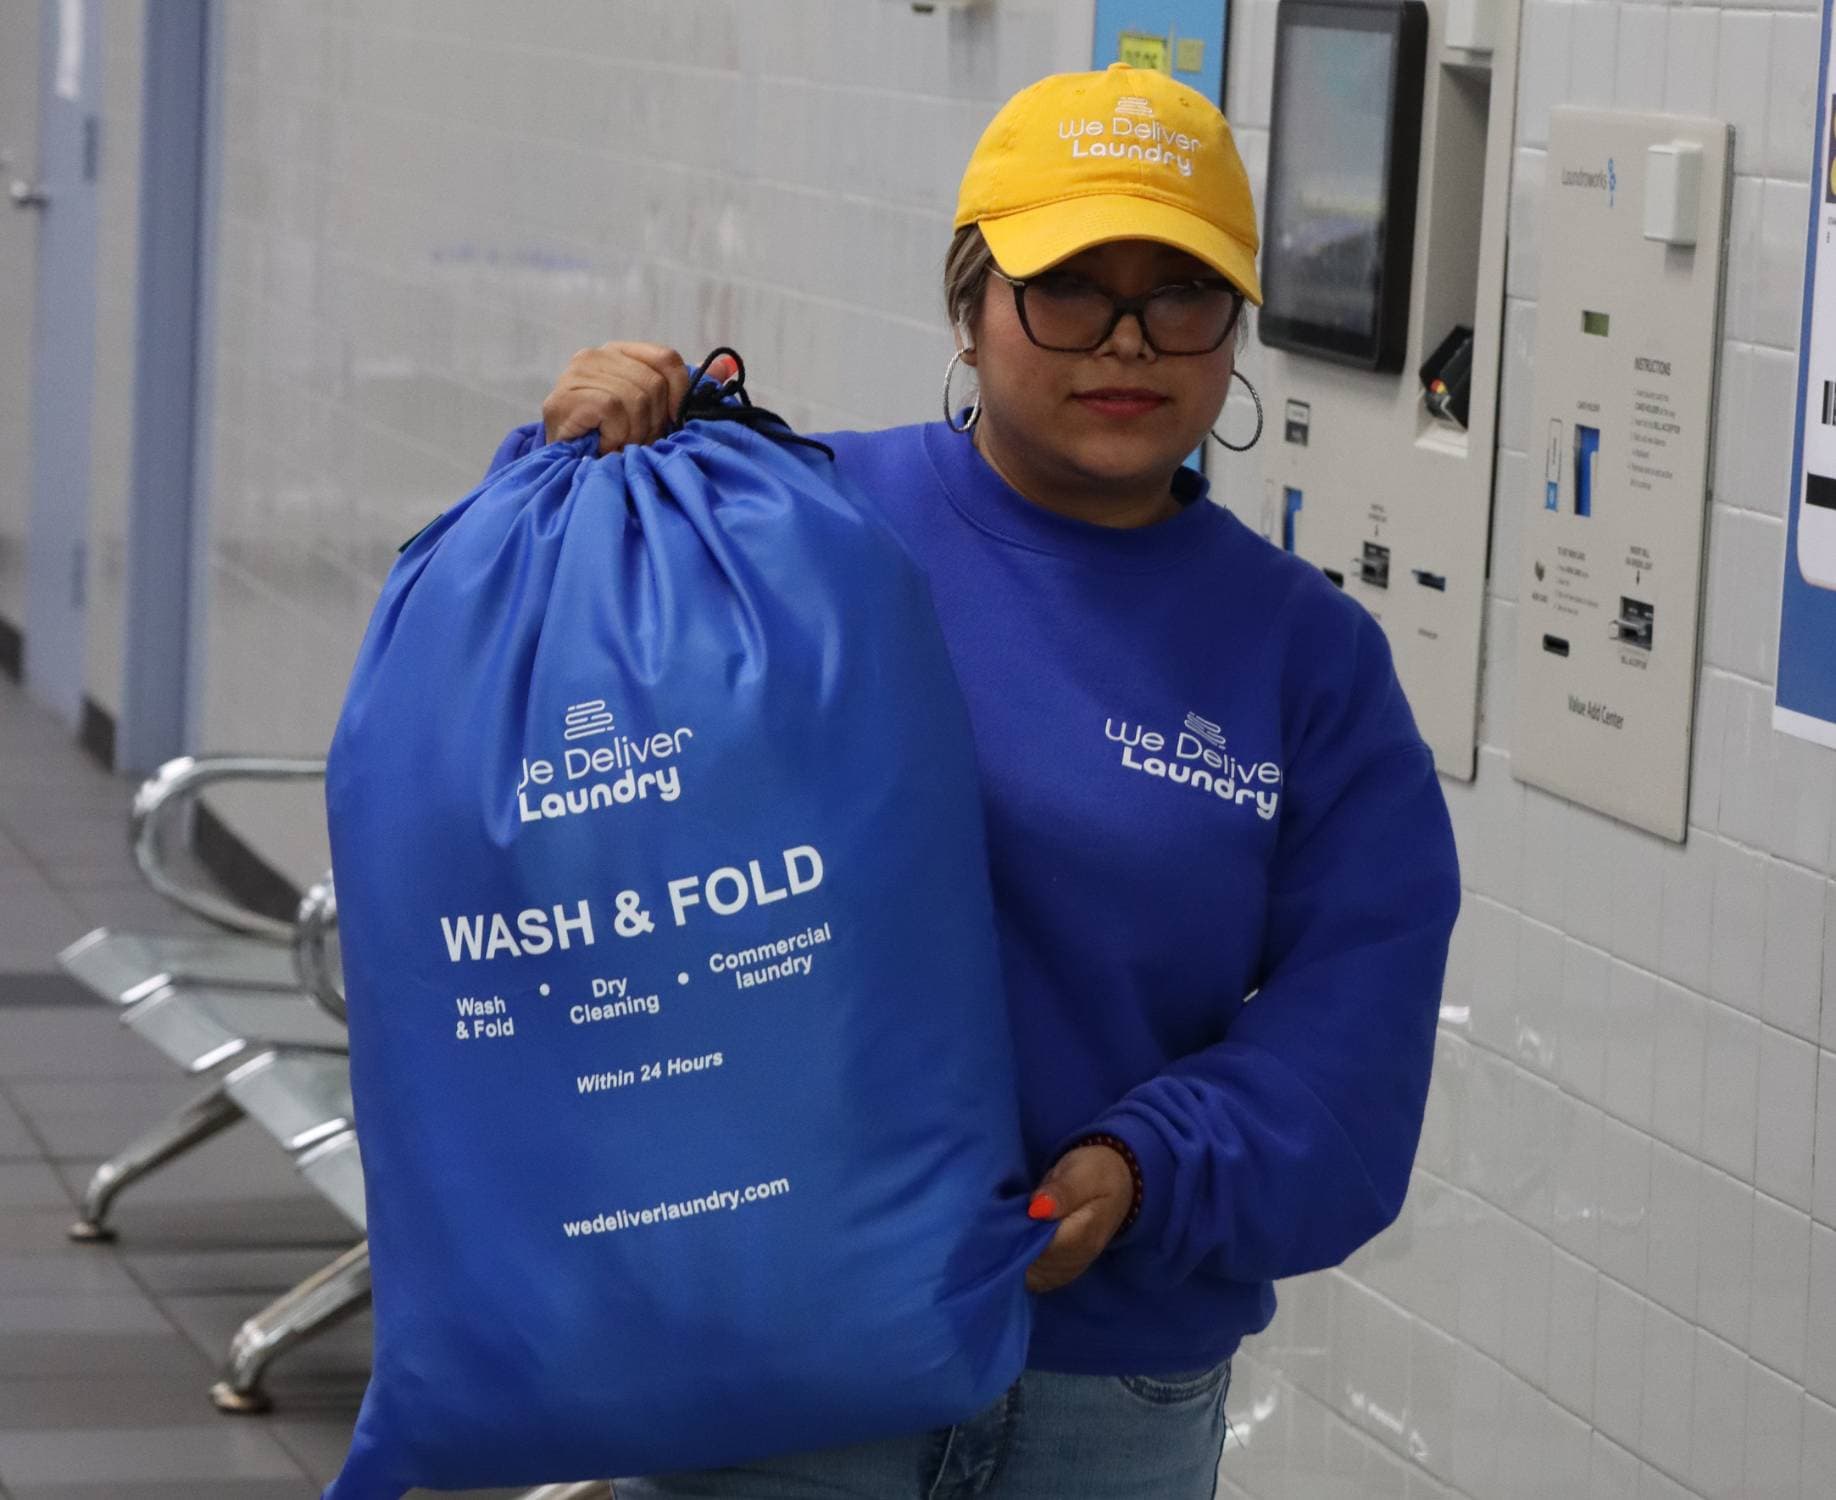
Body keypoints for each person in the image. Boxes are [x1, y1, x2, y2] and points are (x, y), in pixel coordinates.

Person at [488, 62, 1460, 1500]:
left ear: (1237, 328)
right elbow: (545, 725)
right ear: (970, 303)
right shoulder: (798, 529)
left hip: (1110, 1392)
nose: (1126, 343)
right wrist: (574, 463)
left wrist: (1144, 1171)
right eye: (1069, 288)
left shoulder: (1305, 659)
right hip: (790, 1372)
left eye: (1181, 294)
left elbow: (1354, 1029)